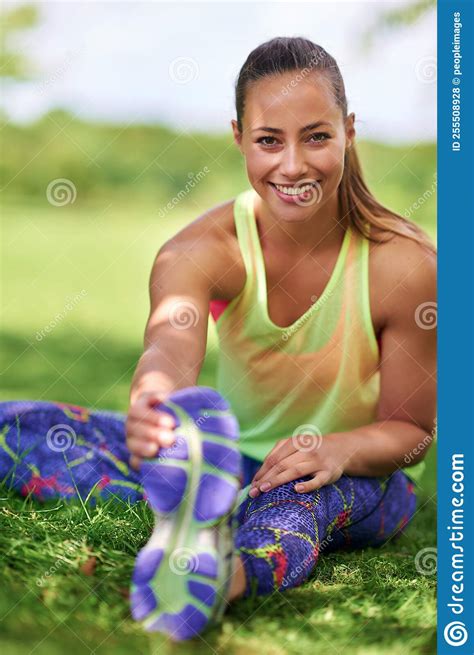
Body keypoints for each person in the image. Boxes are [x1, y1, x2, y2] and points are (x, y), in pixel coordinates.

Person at [0, 37, 436, 642]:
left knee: (302, 505)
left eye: (316, 136)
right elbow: (171, 344)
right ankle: (201, 502)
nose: (292, 165)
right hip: (228, 463)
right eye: (268, 140)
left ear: (349, 130)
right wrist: (157, 405)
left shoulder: (406, 266)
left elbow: (411, 434)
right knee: (20, 423)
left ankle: (217, 576)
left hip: (352, 475)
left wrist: (337, 450)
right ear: (239, 138)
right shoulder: (199, 250)